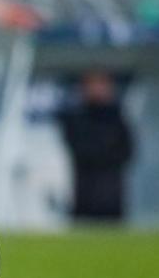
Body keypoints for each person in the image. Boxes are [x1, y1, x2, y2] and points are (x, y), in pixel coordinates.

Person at [57, 71, 135, 221]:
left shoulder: (117, 118)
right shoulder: (77, 119)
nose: (97, 90)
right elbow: (79, 149)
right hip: (84, 197)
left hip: (112, 197)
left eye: (101, 85)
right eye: (92, 85)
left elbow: (128, 151)